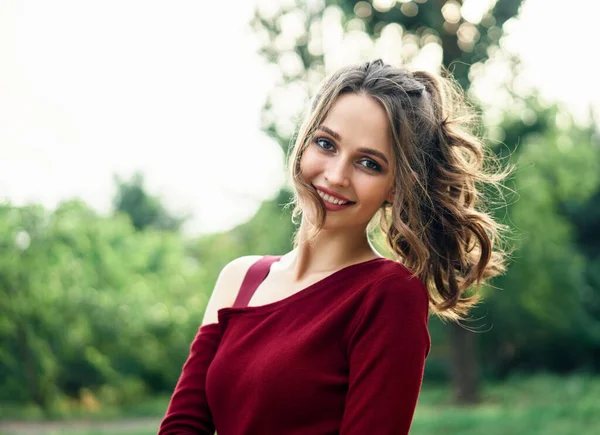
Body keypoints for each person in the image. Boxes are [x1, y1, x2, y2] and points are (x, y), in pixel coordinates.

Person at [158, 59, 509, 435]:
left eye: (369, 164)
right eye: (326, 144)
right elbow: (183, 426)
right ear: (304, 142)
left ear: (395, 187)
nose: (337, 175)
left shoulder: (389, 294)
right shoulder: (240, 278)